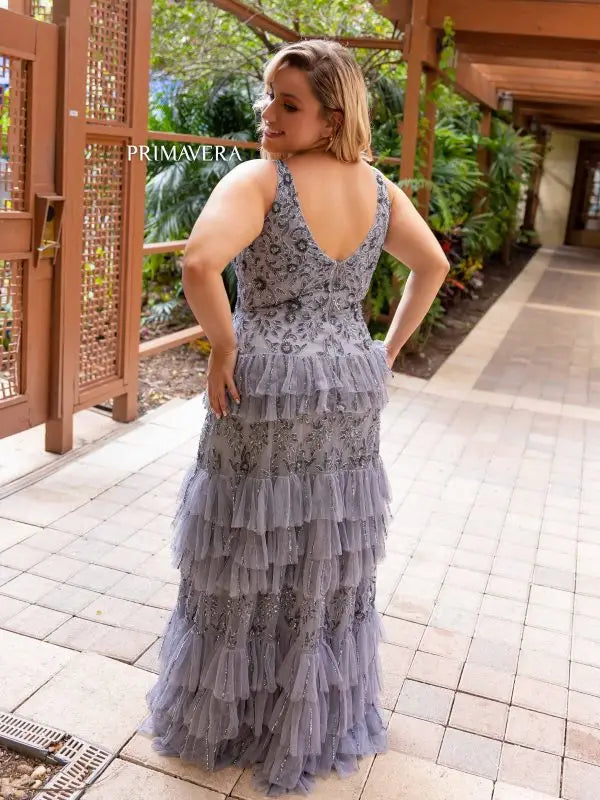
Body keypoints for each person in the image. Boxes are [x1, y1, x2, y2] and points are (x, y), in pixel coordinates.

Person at [138, 38, 450, 796]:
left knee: (247, 538)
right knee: (321, 544)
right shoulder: (379, 189)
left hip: (269, 383)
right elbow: (432, 266)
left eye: (288, 103)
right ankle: (309, 713)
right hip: (347, 383)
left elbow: (198, 263)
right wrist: (385, 350)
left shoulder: (261, 179)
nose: (266, 113)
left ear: (331, 116)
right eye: (267, 96)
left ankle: (233, 713)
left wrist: (223, 346)